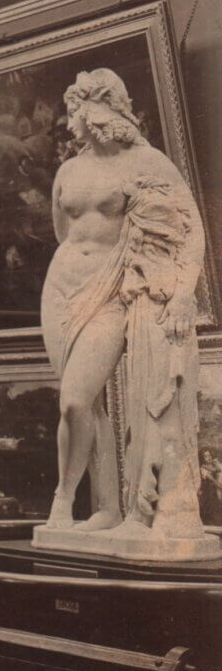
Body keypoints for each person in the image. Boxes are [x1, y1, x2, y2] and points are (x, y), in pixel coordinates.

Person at [39, 68, 206, 544]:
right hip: (60, 288)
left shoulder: (147, 163)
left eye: (76, 111)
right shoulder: (68, 170)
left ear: (101, 110)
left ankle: (62, 497)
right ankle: (105, 507)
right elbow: (62, 234)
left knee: (74, 398)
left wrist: (183, 289)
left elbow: (192, 229)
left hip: (110, 289)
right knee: (82, 403)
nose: (71, 122)